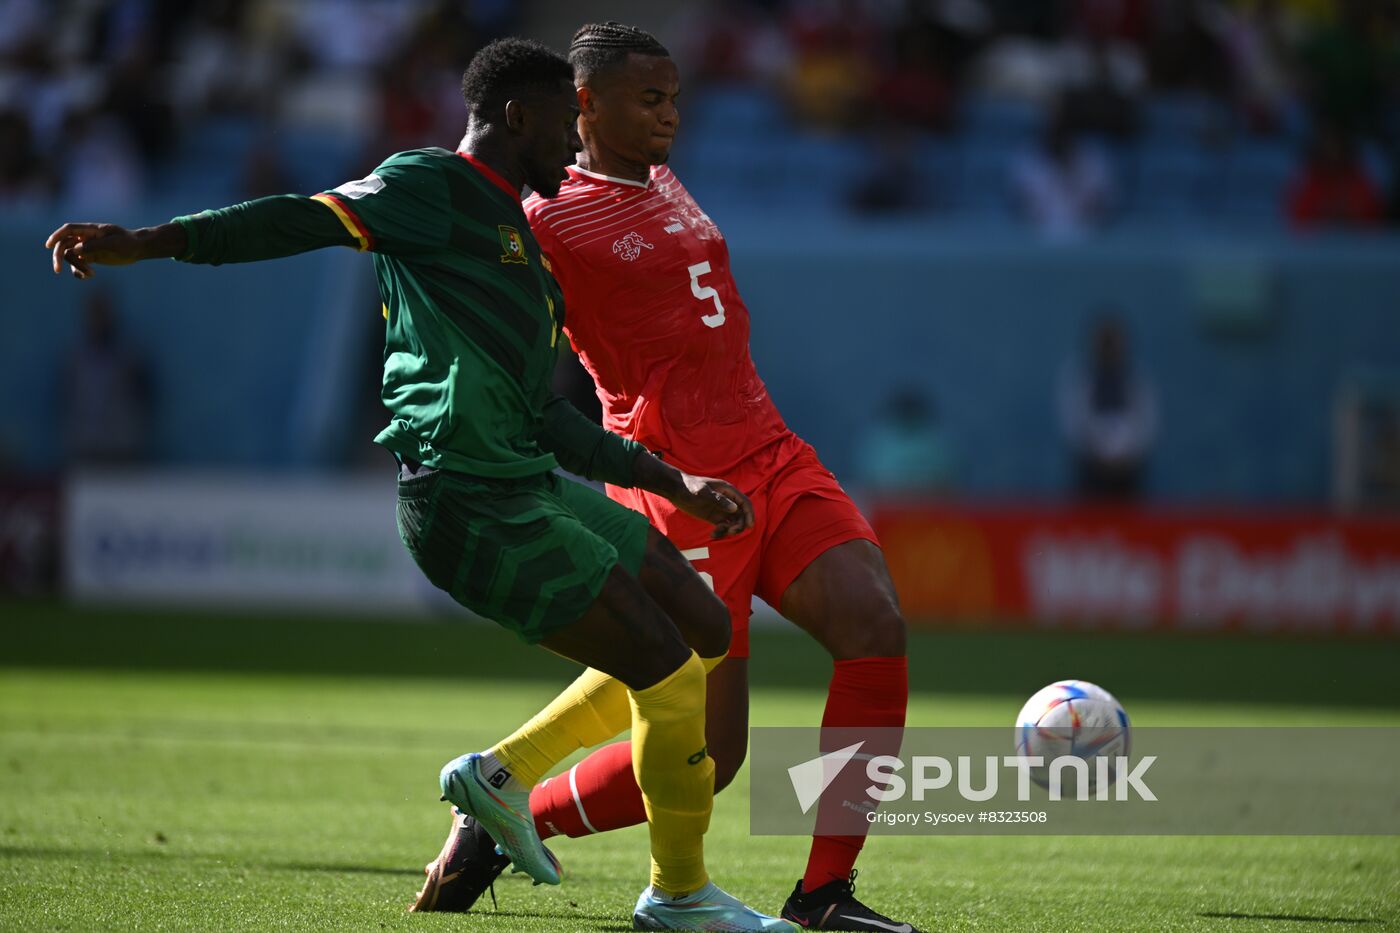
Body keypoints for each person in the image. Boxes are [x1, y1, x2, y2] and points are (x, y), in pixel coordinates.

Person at [46, 37, 791, 933]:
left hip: (525, 480)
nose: (575, 142)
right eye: (566, 123)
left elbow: (544, 415)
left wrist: (676, 482)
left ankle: (501, 776)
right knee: (666, 669)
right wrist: (149, 242)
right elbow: (297, 219)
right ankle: (678, 896)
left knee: (705, 627)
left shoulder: (522, 238)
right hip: (466, 502)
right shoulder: (430, 184)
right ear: (516, 117)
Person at [412, 23, 916, 933]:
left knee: (874, 623)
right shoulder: (546, 219)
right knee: (712, 755)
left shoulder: (659, 175)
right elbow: (475, 278)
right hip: (680, 479)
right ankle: (512, 812)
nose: (670, 116)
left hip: (772, 449)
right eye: (650, 100)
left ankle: (823, 895)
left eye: (675, 98)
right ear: (584, 105)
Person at [1057, 314, 1157, 501]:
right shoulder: (1080, 378)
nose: (1109, 348)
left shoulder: (1136, 380)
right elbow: (1073, 424)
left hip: (1129, 470)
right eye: (1105, 342)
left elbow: (1147, 424)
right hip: (1091, 469)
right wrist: (1097, 456)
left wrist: (1127, 457)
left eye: (1113, 342)